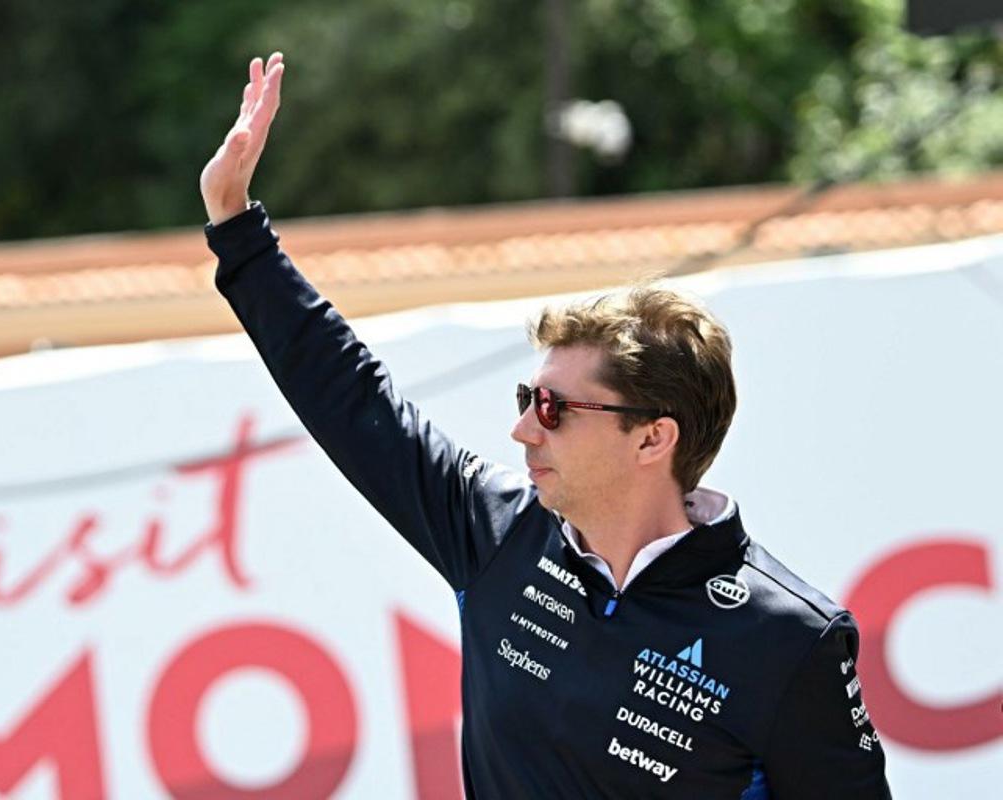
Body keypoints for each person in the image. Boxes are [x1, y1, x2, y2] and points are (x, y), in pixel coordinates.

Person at [201, 52, 892, 799]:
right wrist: (237, 226)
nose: (524, 430)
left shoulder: (789, 639)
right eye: (527, 398)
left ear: (653, 439)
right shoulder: (498, 532)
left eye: (556, 409)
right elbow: (352, 400)